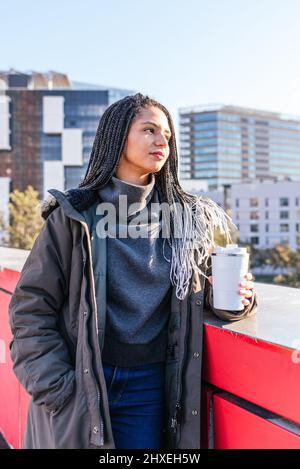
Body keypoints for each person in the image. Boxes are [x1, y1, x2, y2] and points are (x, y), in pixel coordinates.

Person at [9, 93, 257, 449]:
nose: (162, 142)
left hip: (150, 386)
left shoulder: (187, 220)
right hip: (82, 381)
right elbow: (29, 309)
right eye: (149, 130)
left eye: (168, 137)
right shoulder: (73, 217)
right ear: (117, 136)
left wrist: (236, 298)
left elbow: (208, 289)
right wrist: (58, 387)